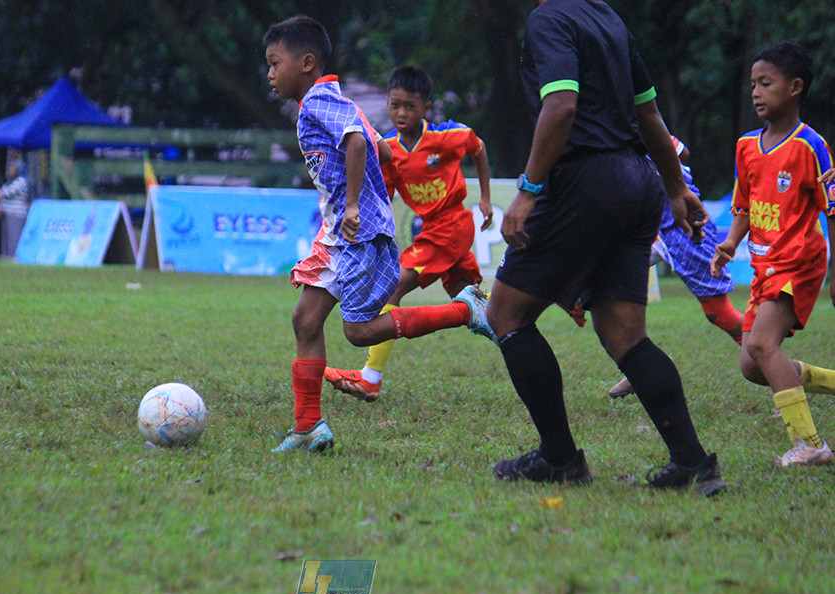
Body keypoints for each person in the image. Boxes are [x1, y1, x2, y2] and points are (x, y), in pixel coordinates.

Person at [485, 0, 725, 495]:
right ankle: (692, 462)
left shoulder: (550, 19)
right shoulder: (608, 18)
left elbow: (561, 106)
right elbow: (648, 113)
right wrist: (675, 187)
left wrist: (528, 190)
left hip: (586, 181)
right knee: (624, 334)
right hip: (637, 181)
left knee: (506, 314)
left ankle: (559, 458)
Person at [263, 16, 491, 452]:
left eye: (275, 63)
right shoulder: (329, 99)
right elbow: (382, 148)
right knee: (305, 319)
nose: (270, 73)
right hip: (340, 232)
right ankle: (309, 427)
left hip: (356, 232)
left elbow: (357, 141)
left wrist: (353, 203)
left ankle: (464, 311)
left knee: (360, 332)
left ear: (306, 63)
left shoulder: (317, 102)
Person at [321, 65, 495, 402]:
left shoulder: (446, 135)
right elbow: (382, 196)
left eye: (410, 106)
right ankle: (525, 344)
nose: (401, 113)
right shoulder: (388, 148)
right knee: (485, 308)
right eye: (395, 105)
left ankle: (370, 378)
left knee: (391, 287)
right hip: (434, 230)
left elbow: (478, 147)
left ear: (426, 108)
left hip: (452, 226)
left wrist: (485, 198)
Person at [711, 40, 835, 467]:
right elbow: (744, 204)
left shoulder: (811, 146)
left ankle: (811, 445)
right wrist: (731, 242)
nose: (756, 93)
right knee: (752, 364)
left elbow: (832, 210)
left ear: (795, 87)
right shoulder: (747, 145)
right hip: (765, 266)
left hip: (799, 262)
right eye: (753, 84)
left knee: (763, 345)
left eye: (766, 83)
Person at [607, 136, 745, 398]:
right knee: (604, 296)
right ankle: (644, 366)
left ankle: (774, 361)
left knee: (718, 312)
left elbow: (682, 152)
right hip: (642, 226)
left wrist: (666, 177)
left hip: (681, 224)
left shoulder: (634, 120)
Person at [0, 161, 29, 256]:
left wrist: (0, 193)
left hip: (16, 215)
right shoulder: (9, 182)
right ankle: (6, 257)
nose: (9, 170)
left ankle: (14, 258)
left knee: (14, 239)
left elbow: (6, 193)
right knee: (6, 240)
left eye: (12, 168)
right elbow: (1, 192)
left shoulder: (21, 181)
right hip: (6, 213)